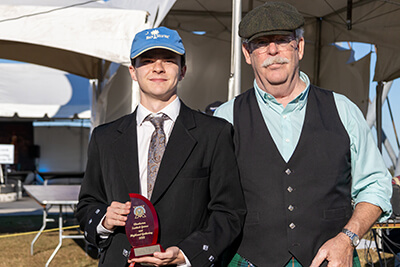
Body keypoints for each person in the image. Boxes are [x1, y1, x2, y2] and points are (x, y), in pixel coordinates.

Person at [214, 2, 392, 266]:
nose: (272, 50)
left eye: (282, 40)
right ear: (247, 53)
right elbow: (209, 199)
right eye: (261, 43)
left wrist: (347, 238)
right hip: (248, 259)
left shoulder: (343, 110)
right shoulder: (226, 118)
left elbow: (376, 185)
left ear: (299, 46)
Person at [77, 26, 246, 267]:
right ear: (133, 72)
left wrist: (187, 254)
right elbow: (86, 205)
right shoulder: (104, 138)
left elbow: (229, 212)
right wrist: (104, 219)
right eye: (147, 61)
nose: (158, 68)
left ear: (183, 70)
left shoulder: (214, 133)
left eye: (168, 60)